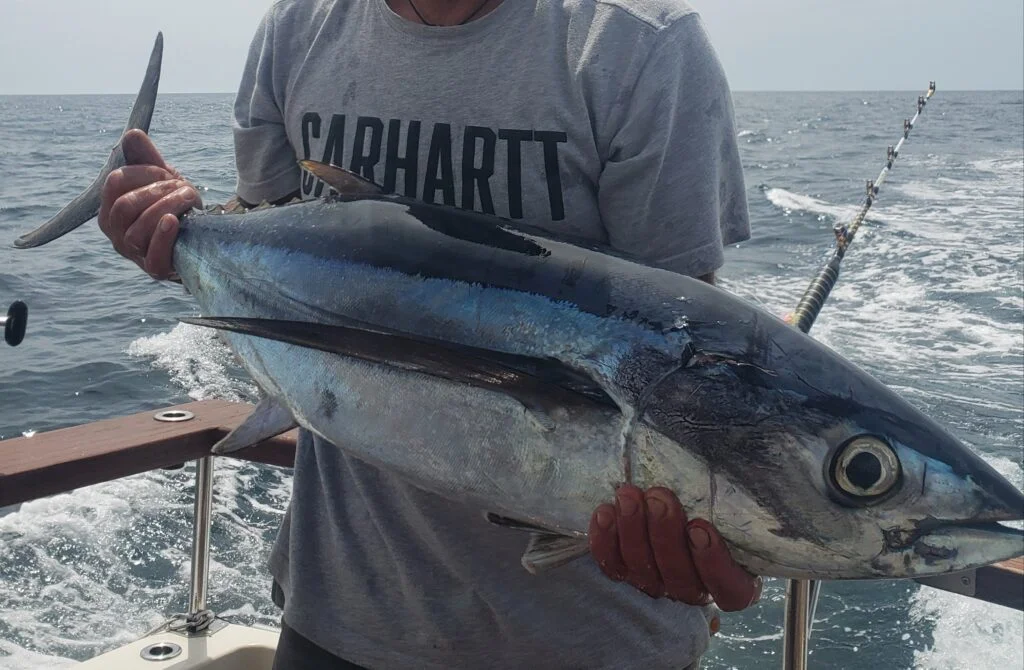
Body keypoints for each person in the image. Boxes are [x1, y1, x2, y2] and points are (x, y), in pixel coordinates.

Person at [99, 0, 760, 667]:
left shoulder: (639, 44)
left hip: (590, 641)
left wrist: (716, 536)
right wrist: (171, 229)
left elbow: (680, 367)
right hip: (340, 614)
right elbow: (271, 236)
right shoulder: (297, 28)